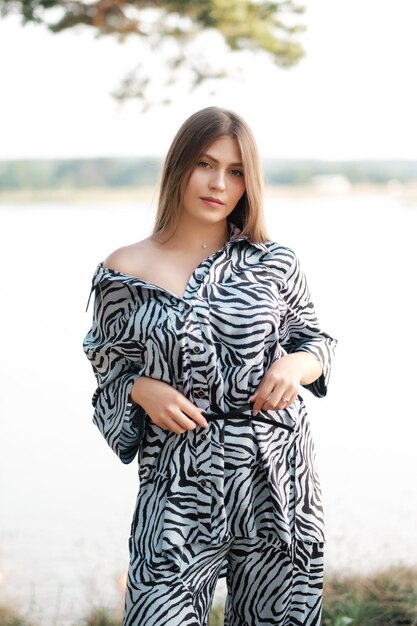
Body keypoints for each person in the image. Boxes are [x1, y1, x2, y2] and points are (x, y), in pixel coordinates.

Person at [82, 106, 337, 626]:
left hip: (276, 474)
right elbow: (106, 369)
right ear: (179, 167)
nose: (220, 182)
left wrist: (296, 365)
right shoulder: (122, 271)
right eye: (205, 163)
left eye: (237, 170)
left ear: (250, 182)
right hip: (177, 479)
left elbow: (317, 341)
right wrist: (137, 389)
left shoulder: (273, 261)